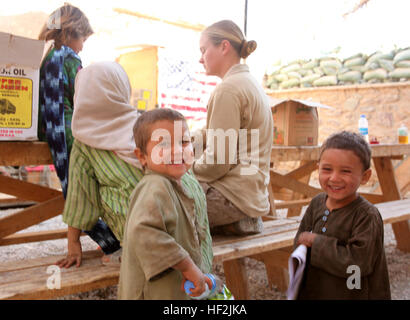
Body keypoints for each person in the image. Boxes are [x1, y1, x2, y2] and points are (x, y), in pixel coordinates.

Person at [118, 108, 213, 300]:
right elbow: (144, 232)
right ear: (142, 156)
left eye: (184, 142)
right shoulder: (155, 187)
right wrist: (187, 266)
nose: (177, 150)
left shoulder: (176, 183)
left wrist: (198, 272)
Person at [192, 20, 273, 235]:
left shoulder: (228, 90)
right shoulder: (250, 83)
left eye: (204, 50)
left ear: (224, 46)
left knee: (152, 202)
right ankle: (233, 223)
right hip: (251, 194)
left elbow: (218, 161)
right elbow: (220, 134)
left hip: (232, 196)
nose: (200, 58)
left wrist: (186, 169)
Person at [294, 131, 391, 299]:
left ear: (365, 176)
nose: (334, 178)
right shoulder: (317, 203)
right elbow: (300, 240)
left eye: (345, 171)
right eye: (327, 169)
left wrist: (316, 243)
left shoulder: (366, 215)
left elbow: (358, 264)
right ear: (318, 168)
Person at [38, 3, 93, 197]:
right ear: (71, 33)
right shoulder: (70, 60)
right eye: (83, 40)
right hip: (70, 133)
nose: (82, 47)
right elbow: (82, 98)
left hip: (47, 130)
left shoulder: (48, 55)